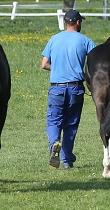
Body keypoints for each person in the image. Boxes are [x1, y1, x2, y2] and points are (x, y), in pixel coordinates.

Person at [41, 9, 96, 169]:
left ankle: (54, 143)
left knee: (53, 120)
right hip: (76, 88)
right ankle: (67, 161)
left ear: (66, 22)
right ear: (78, 22)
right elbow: (97, 63)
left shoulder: (54, 39)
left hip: (57, 88)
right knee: (71, 124)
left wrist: (58, 67)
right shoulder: (85, 41)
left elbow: (44, 64)